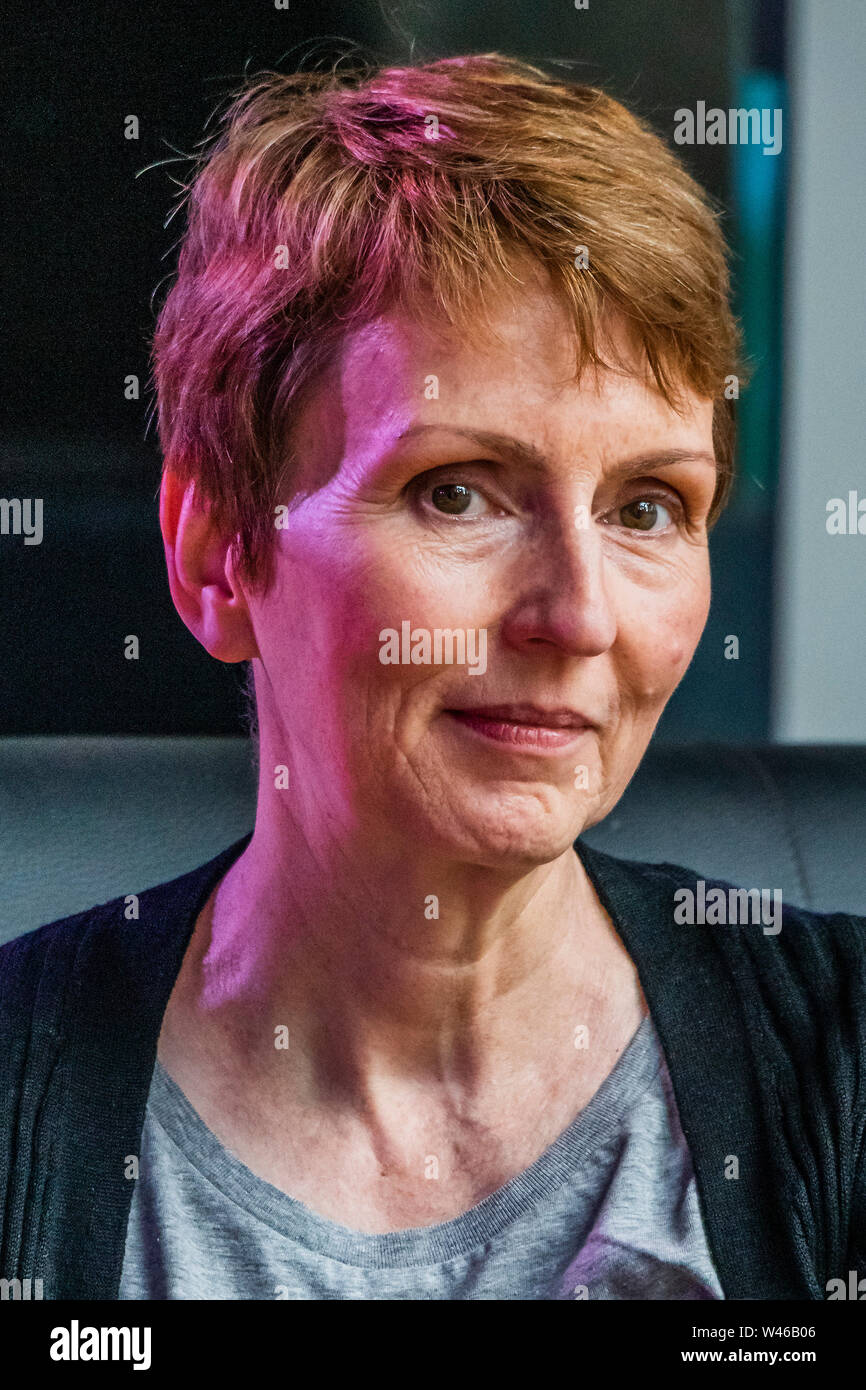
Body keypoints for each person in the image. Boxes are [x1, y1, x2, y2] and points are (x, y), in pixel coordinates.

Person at [2, 52, 865, 1302]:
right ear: (216, 552)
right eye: (455, 492)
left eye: (646, 507)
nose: (575, 615)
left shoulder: (840, 1070)